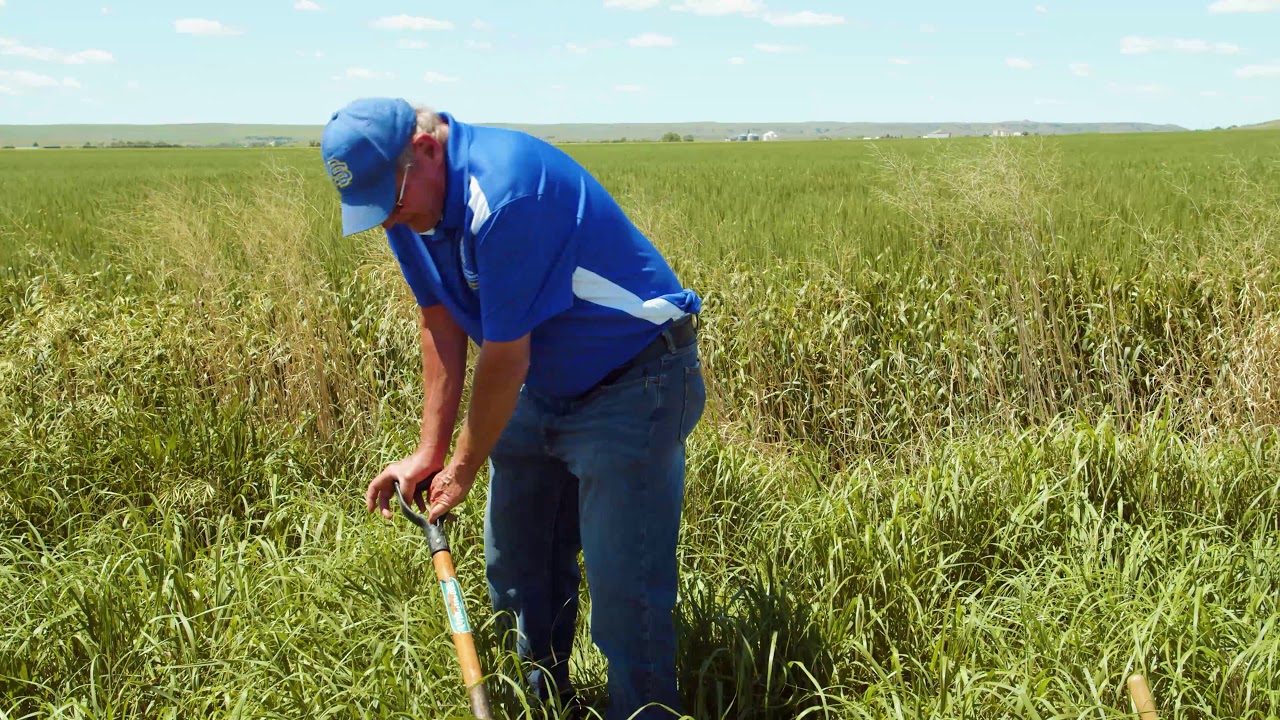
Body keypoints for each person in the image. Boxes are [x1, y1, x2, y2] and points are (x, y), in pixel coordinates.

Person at [320, 97, 706, 720]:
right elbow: (439, 320)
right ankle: (544, 707)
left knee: (625, 597)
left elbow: (504, 359)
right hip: (540, 385)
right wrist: (430, 452)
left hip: (635, 380)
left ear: (425, 149)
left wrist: (463, 469)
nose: (390, 221)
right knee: (518, 570)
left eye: (390, 202)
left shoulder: (504, 195)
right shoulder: (406, 208)